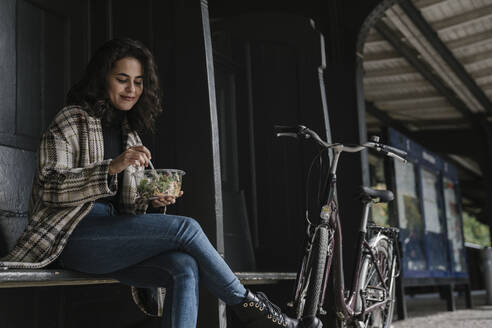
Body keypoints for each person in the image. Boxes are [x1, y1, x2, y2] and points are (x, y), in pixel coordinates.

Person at [0, 38, 321, 328]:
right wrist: (112, 166)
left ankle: (248, 307)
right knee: (188, 229)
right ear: (102, 80)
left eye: (138, 82)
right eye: (122, 79)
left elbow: (128, 209)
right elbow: (49, 186)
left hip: (111, 236)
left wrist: (153, 202)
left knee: (183, 267)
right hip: (71, 235)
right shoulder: (72, 119)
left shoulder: (131, 134)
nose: (131, 89)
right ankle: (249, 306)